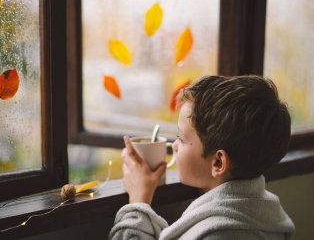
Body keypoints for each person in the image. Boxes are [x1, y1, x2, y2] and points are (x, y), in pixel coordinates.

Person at [109, 75, 296, 240]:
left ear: (218, 162)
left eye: (181, 139)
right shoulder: (264, 214)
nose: (174, 145)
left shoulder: (218, 235)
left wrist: (138, 202)